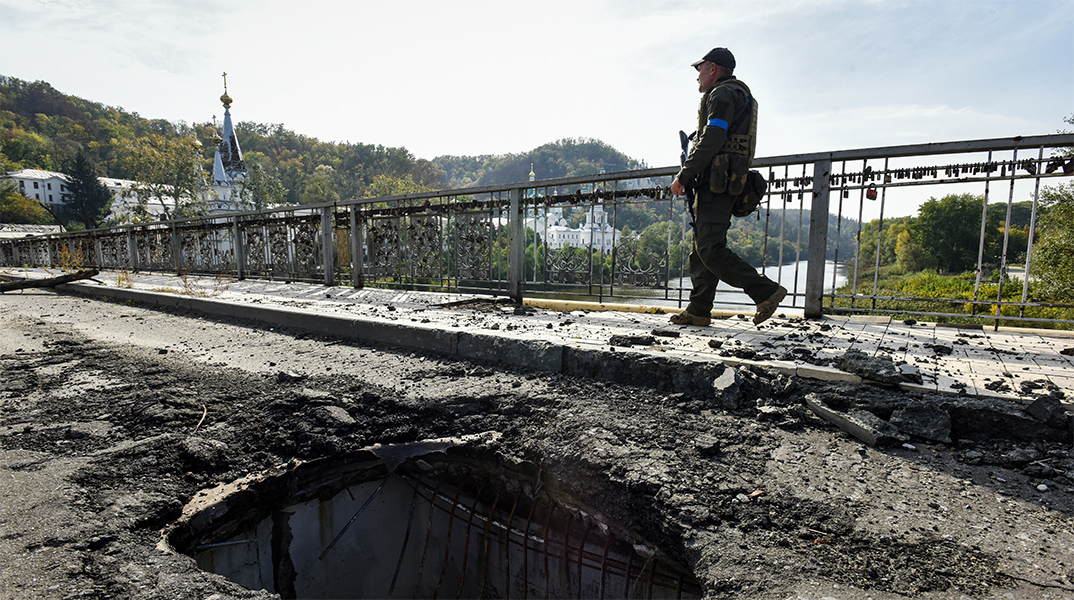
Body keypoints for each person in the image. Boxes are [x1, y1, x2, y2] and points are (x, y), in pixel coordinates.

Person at [669, 47, 787, 327]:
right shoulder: (738, 93)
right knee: (701, 248)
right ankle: (698, 310)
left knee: (710, 247)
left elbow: (714, 135)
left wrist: (684, 175)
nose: (697, 75)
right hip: (724, 179)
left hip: (716, 182)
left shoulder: (722, 94)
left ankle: (766, 291)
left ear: (713, 68)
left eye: (700, 68)